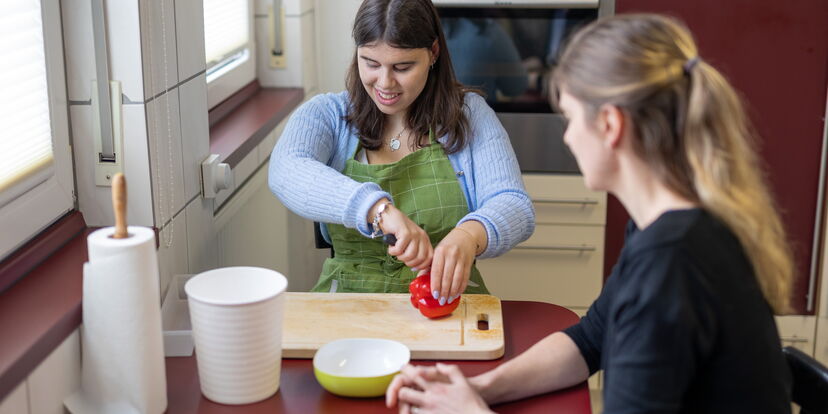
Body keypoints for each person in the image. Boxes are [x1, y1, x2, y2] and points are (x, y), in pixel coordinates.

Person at [387, 13, 793, 414]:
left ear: (611, 125)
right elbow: (591, 340)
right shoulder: (671, 227)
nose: (567, 136)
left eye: (571, 118)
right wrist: (478, 390)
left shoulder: (669, 266)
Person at [268, 0, 534, 300]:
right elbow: (285, 170)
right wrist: (376, 210)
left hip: (446, 301)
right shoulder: (328, 114)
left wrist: (469, 235)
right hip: (345, 302)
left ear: (433, 53)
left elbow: (515, 205)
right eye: (370, 63)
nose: (385, 83)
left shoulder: (469, 114)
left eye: (402, 67)